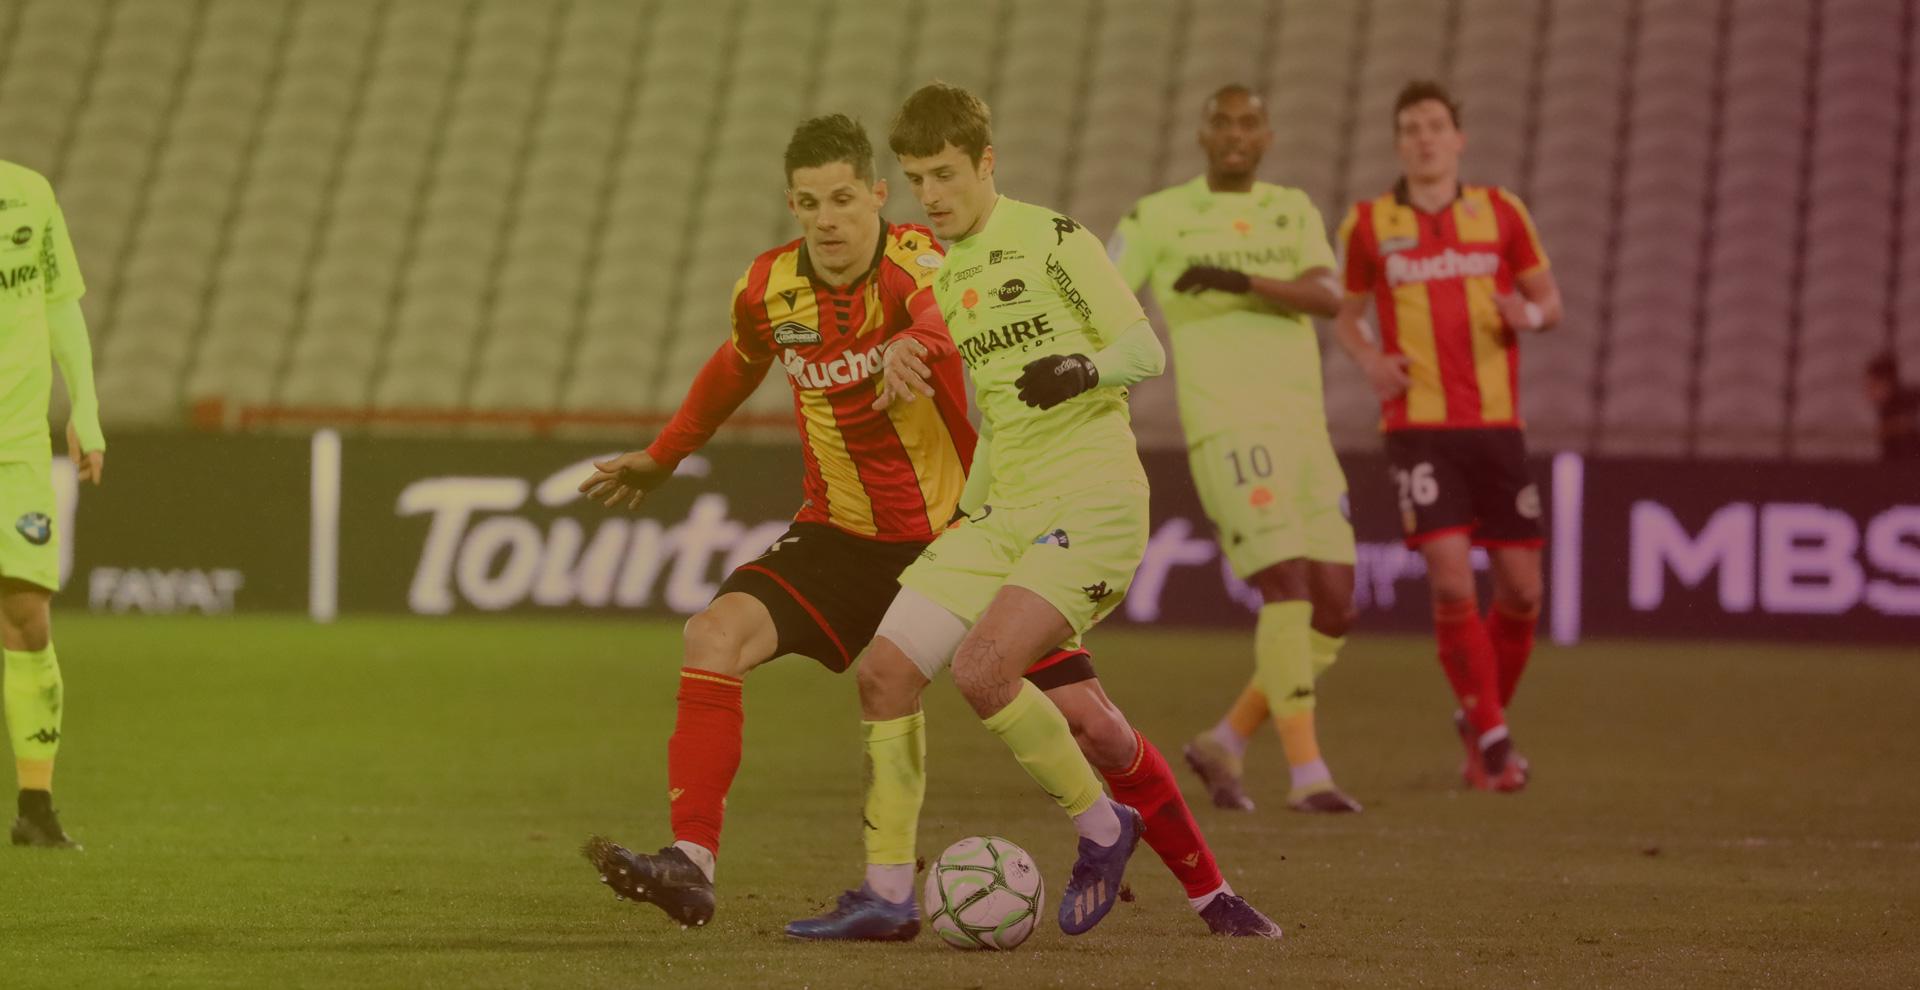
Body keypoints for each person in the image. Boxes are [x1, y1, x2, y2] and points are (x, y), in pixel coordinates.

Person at [576, 116, 1266, 939]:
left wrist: (915, 344)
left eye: (843, 199)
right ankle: (698, 862)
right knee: (713, 635)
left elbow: (949, 315)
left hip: (954, 530)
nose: (827, 220)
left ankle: (1211, 893)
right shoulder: (767, 287)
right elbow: (736, 364)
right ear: (792, 206)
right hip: (839, 536)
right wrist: (664, 455)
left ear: (876, 195)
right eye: (808, 203)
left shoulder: (919, 259)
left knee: (1093, 725)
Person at [788, 83, 1280, 943]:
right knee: (894, 675)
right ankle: (890, 894)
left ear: (986, 163)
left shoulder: (1053, 239)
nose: (931, 195)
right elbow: (993, 413)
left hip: (1091, 498)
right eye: (916, 179)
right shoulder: (951, 272)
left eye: (945, 174)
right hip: (1005, 510)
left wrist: (1085, 370)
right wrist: (963, 511)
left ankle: (1104, 829)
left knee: (984, 671)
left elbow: (1144, 348)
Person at [1109, 84, 1361, 815]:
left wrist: (1240, 280)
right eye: (1221, 122)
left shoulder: (1293, 209)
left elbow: (1328, 294)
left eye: (1248, 123)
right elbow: (1103, 296)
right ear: (1202, 134)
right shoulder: (1158, 215)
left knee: (1336, 607)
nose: (1234, 134)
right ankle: (1309, 775)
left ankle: (1226, 740)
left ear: (1267, 136)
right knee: (1286, 584)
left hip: (1304, 428)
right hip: (1228, 424)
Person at [1331, 81, 1562, 793]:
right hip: (1419, 429)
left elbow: (1550, 302)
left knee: (1523, 592)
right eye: (1411, 128)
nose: (1424, 138)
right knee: (1453, 580)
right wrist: (1372, 361)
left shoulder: (1502, 211)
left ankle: (1480, 719)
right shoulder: (1368, 223)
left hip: (1496, 427)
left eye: (1435, 125)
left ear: (1458, 139)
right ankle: (1493, 740)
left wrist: (1528, 316)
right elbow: (1346, 315)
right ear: (1399, 143)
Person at [1, 159, 104, 849]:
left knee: (27, 618)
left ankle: (35, 806)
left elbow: (60, 304)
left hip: (17, 451)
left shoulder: (29, 193)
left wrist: (85, 412)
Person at [1865, 352, 1920, 461]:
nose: (1868, 391)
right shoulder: (1886, 410)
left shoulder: (1906, 404)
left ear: (1888, 384)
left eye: (1872, 385)